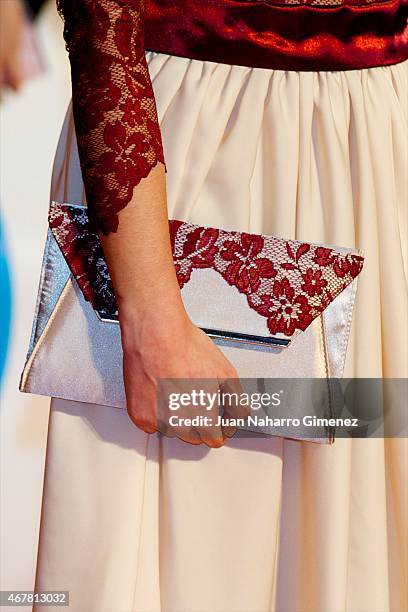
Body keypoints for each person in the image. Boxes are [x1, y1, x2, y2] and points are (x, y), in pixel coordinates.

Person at [33, 1, 407, 610]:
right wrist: (151, 314)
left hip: (375, 144)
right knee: (201, 554)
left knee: (352, 537)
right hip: (198, 158)